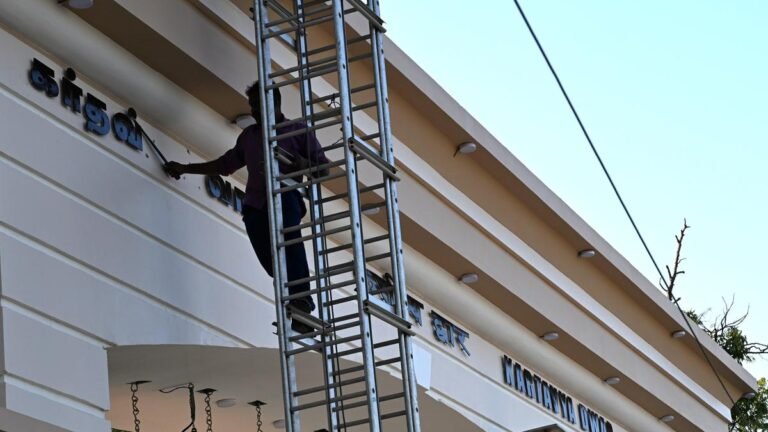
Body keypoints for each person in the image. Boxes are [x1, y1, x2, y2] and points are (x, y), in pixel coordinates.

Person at [164, 83, 329, 333]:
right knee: (272, 260)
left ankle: (302, 300)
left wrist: (301, 163)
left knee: (291, 241)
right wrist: (186, 168)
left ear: (275, 104)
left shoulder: (298, 131)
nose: (253, 111)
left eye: (257, 105)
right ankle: (295, 303)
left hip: (285, 197)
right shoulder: (250, 136)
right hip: (255, 206)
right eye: (252, 106)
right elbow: (225, 164)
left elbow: (323, 169)